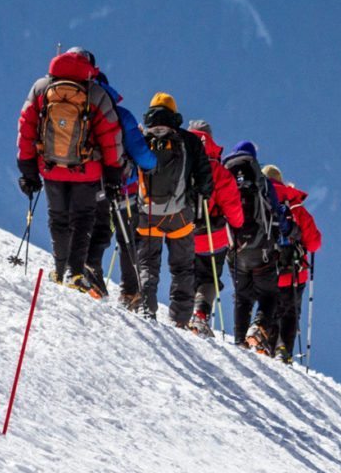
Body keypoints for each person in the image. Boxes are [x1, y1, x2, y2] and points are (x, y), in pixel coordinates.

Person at [15, 49, 125, 295]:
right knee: (83, 218)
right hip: (86, 170)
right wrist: (113, 175)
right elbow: (111, 137)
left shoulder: (41, 88)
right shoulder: (95, 93)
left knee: (58, 217)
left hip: (51, 167)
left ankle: (58, 268)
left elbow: (26, 128)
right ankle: (74, 272)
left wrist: (28, 169)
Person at [128, 94, 212, 327]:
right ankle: (180, 319)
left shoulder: (142, 138)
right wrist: (197, 200)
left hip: (148, 212)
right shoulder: (188, 140)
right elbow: (205, 178)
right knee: (183, 267)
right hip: (180, 214)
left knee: (148, 263)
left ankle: (147, 307)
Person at [83, 66, 153, 304]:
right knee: (127, 239)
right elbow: (144, 156)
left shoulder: (80, 110)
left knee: (90, 227)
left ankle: (87, 274)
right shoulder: (121, 115)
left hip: (83, 179)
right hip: (121, 185)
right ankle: (130, 292)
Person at [184, 120, 244, 334]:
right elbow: (234, 211)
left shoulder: (181, 159)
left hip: (182, 229)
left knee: (184, 271)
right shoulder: (219, 171)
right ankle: (200, 315)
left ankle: (180, 312)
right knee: (209, 277)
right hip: (213, 235)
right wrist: (237, 227)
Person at [260, 163, 322, 363]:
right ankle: (283, 351)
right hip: (295, 273)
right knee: (290, 313)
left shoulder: (259, 201)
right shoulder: (295, 206)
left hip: (266, 268)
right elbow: (314, 243)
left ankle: (266, 346)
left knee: (269, 309)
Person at [222, 142, 279, 347]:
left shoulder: (226, 176)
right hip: (261, 247)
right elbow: (276, 211)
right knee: (269, 294)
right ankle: (259, 326)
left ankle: (239, 340)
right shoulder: (261, 181)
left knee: (242, 297)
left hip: (234, 247)